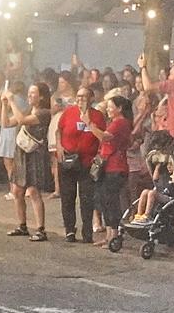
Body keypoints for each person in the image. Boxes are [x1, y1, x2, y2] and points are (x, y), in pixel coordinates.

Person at [55, 83, 106, 243]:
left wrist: (88, 121)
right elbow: (59, 130)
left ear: (91, 98)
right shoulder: (69, 112)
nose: (80, 99)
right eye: (78, 96)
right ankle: (70, 229)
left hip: (86, 162)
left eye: (84, 96)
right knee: (68, 196)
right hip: (68, 159)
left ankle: (87, 231)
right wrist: (59, 146)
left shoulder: (97, 116)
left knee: (86, 198)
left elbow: (102, 137)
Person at [7, 81, 53, 241]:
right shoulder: (27, 110)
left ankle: (41, 228)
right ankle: (22, 225)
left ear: (41, 96)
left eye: (33, 93)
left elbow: (21, 120)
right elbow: (6, 123)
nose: (29, 95)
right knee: (17, 191)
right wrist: (2, 102)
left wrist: (12, 101)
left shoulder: (44, 113)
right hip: (21, 153)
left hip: (34, 154)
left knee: (33, 191)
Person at [92, 94, 134, 238]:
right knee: (105, 201)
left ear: (119, 108)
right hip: (109, 165)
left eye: (111, 107)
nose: (108, 110)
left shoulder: (120, 123)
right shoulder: (116, 122)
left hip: (115, 166)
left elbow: (105, 136)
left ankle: (114, 235)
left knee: (111, 201)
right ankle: (109, 236)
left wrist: (90, 126)